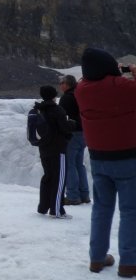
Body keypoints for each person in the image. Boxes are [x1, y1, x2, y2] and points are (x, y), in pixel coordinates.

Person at [75, 48, 136, 276]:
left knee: (101, 209)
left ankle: (97, 259)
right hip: (128, 158)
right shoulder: (122, 87)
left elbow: (93, 79)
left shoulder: (82, 89)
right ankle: (129, 261)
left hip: (99, 159)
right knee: (131, 211)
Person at [35, 85, 75, 218]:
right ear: (53, 96)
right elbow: (64, 128)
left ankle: (43, 207)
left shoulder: (39, 109)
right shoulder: (57, 110)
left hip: (44, 148)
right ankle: (57, 210)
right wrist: (72, 124)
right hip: (58, 148)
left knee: (48, 176)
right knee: (59, 178)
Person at [59, 74, 90, 205]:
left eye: (61, 83)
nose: (60, 85)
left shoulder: (66, 98)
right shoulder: (80, 95)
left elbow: (61, 117)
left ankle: (72, 196)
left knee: (69, 164)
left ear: (66, 84)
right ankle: (85, 195)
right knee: (79, 164)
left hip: (72, 133)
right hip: (84, 132)